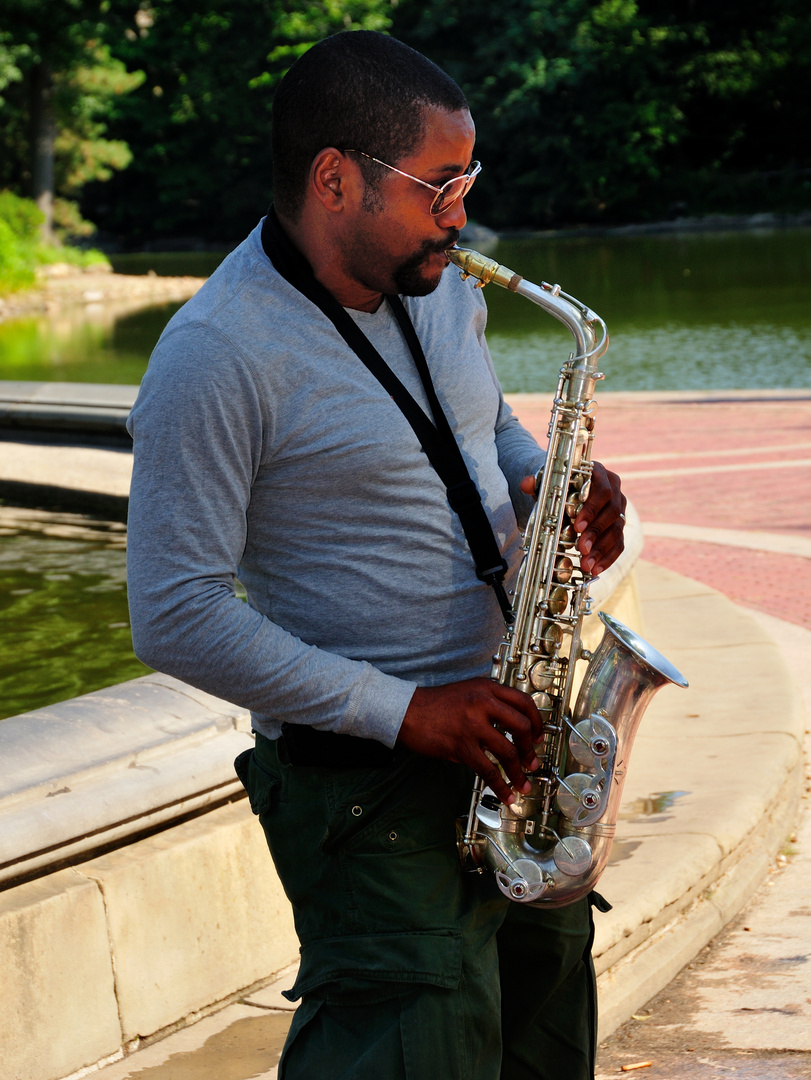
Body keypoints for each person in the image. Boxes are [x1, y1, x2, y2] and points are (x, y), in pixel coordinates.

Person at [126, 30, 626, 1080]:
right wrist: (405, 710)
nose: (461, 218)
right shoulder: (216, 355)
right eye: (437, 188)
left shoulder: (442, 289)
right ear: (335, 179)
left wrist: (549, 489)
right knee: (410, 1048)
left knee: (545, 1038)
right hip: (368, 790)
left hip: (507, 743)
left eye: (467, 183)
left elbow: (482, 432)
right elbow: (173, 610)